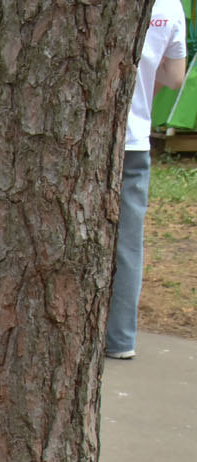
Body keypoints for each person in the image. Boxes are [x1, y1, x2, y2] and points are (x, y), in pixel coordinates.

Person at [107, 0, 186, 361]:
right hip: (134, 140)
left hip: (78, 142)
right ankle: (121, 337)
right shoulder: (170, 6)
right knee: (127, 244)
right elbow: (175, 77)